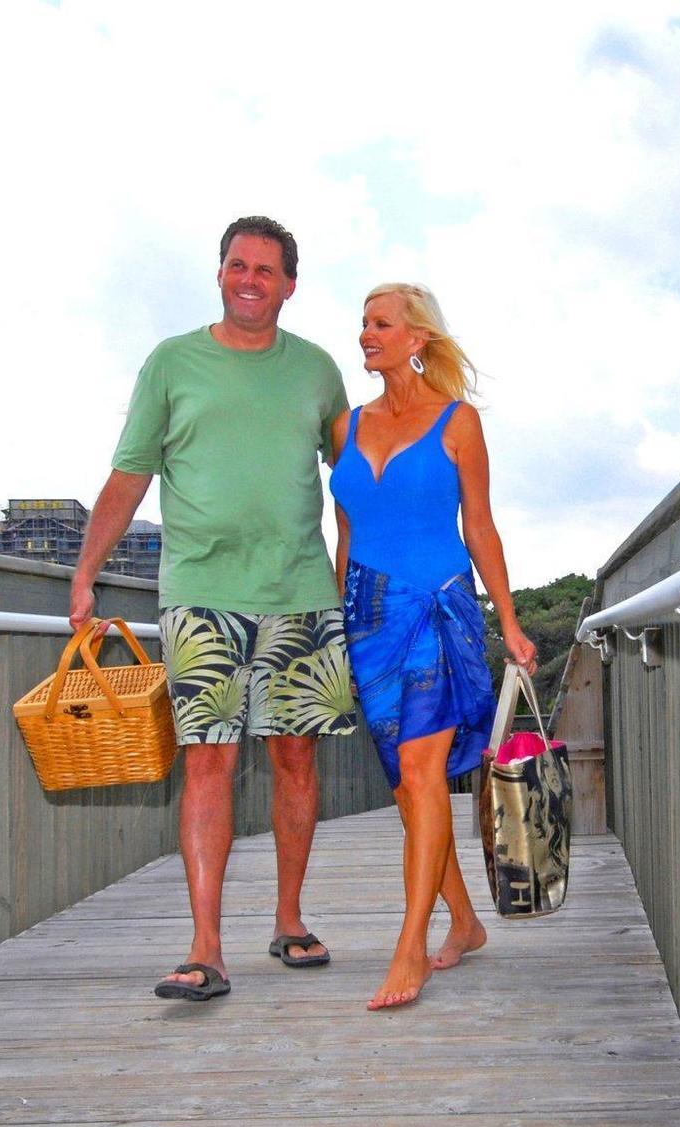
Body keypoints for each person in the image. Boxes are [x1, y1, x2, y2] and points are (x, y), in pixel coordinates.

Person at [71, 215, 357, 1002]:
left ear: (290, 284)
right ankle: (205, 946)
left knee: (296, 760)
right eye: (238, 265)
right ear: (220, 272)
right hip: (200, 595)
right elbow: (129, 477)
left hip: (301, 594)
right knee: (208, 762)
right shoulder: (171, 363)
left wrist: (346, 571)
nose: (250, 280)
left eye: (267, 270)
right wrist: (85, 573)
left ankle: (291, 918)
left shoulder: (318, 372)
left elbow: (355, 483)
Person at [330, 282, 536, 1011]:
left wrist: (508, 619)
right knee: (405, 786)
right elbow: (347, 533)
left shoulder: (458, 422)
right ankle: (466, 920)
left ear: (416, 339)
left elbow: (479, 525)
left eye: (380, 324)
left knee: (422, 772)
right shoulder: (344, 426)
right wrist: (336, 619)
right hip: (367, 619)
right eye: (363, 324)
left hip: (439, 607)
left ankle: (409, 944)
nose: (365, 335)